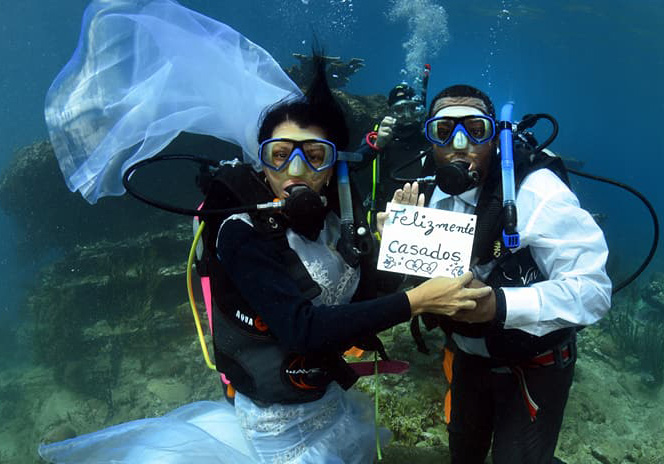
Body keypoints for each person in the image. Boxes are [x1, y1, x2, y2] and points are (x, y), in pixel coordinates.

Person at [38, 5, 492, 457]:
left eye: (314, 155)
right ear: (262, 161)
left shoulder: (331, 223)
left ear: (334, 165)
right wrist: (419, 301)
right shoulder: (239, 232)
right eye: (280, 155)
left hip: (328, 403)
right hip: (280, 430)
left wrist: (393, 248)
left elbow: (357, 302)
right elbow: (303, 329)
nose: (296, 170)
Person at [403, 84, 612, 463]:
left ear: (496, 136)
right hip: (468, 353)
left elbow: (594, 291)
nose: (460, 143)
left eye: (476, 130)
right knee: (463, 454)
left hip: (535, 361)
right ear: (429, 137)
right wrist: (394, 244)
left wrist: (499, 305)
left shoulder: (538, 192)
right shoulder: (424, 188)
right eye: (443, 130)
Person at [355, 82, 431, 229]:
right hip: (385, 220)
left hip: (428, 217)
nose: (407, 115)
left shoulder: (430, 137)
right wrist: (377, 145)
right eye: (400, 110)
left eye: (413, 108)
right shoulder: (378, 137)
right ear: (390, 112)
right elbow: (352, 165)